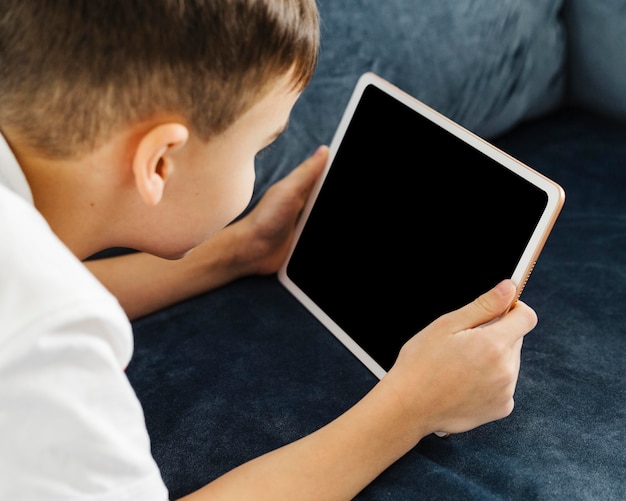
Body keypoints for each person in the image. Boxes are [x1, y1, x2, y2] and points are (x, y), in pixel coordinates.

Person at [0, 1, 537, 500]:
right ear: (160, 163)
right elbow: (40, 320)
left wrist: (236, 251)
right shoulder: (45, 341)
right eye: (261, 147)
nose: (258, 168)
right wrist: (414, 405)